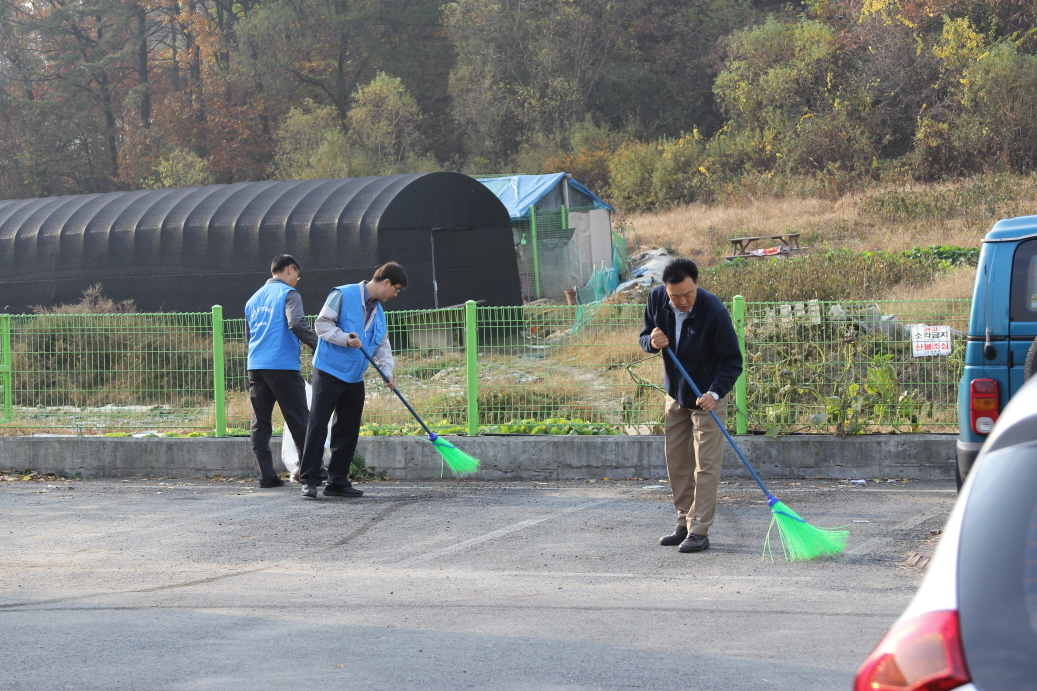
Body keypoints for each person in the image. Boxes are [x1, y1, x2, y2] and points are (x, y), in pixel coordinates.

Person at [639, 258, 743, 553]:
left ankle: (699, 530)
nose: (682, 301)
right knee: (677, 462)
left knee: (705, 465)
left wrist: (715, 392)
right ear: (665, 289)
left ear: (696, 284)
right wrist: (652, 342)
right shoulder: (657, 299)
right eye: (676, 296)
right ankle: (683, 521)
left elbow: (732, 361)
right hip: (676, 393)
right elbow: (645, 336)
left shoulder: (713, 311)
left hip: (707, 398)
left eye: (688, 294)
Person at [298, 262, 406, 499]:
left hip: (355, 376)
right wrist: (345, 338)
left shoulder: (379, 313)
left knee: (348, 428)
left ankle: (337, 480)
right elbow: (322, 324)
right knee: (318, 424)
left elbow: (382, 344)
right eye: (396, 289)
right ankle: (309, 479)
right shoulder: (343, 293)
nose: (395, 295)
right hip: (329, 369)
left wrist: (387, 370)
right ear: (386, 282)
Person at [245, 254, 319, 488]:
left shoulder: (253, 299)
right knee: (300, 418)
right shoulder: (289, 294)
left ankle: (266, 476)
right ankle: (311, 471)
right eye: (298, 273)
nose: (298, 279)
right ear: (290, 269)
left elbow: (250, 336)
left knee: (260, 422)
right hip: (282, 364)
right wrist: (319, 345)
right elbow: (296, 323)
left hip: (256, 365)